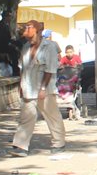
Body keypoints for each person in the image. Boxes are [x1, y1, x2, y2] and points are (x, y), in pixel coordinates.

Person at [9, 20, 66, 156]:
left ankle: (59, 143)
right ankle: (21, 145)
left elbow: (50, 69)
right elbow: (22, 68)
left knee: (52, 116)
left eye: (29, 30)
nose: (26, 34)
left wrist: (42, 89)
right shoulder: (26, 47)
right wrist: (21, 85)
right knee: (26, 116)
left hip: (45, 88)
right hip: (28, 87)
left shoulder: (49, 47)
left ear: (38, 31)